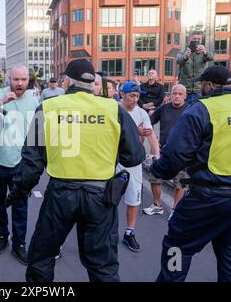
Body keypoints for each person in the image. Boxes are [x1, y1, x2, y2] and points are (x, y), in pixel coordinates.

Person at [8, 59, 145, 281]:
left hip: (60, 194)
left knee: (42, 259)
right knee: (103, 267)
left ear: (68, 81)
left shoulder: (49, 107)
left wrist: (17, 191)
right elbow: (135, 157)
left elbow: (32, 163)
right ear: (93, 83)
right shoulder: (113, 109)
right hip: (101, 197)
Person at [151, 65, 231, 282]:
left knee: (177, 246)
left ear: (210, 85)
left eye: (202, 84)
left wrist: (158, 169)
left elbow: (176, 153)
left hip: (208, 197)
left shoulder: (201, 109)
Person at [0, 65, 40, 265]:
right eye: (16, 79)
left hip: (20, 162)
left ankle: (19, 244)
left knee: (20, 204)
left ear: (28, 80)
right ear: (9, 78)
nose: (19, 83)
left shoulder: (34, 102)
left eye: (23, 79)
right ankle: (1, 236)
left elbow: (35, 135)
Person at [118, 82, 160, 252]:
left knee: (134, 200)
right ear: (122, 94)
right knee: (108, 198)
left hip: (133, 162)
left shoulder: (142, 113)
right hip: (114, 160)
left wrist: (157, 156)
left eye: (137, 96)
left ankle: (129, 233)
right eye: (131, 96)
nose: (135, 99)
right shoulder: (113, 110)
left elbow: (151, 136)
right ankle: (105, 232)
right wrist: (135, 130)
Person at [143, 84, 189, 219]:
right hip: (163, 150)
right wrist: (152, 137)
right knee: (154, 177)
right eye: (175, 93)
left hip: (182, 152)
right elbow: (148, 121)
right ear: (170, 95)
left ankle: (175, 209)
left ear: (185, 96)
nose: (177, 96)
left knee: (180, 182)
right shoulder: (163, 109)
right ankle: (157, 206)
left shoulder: (190, 110)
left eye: (181, 94)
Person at [177, 31, 214, 104]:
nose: (196, 41)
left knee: (197, 112)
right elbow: (178, 60)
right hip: (185, 91)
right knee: (184, 112)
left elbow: (211, 58)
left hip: (198, 90)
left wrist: (205, 52)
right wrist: (185, 57)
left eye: (198, 39)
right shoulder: (182, 52)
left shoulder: (202, 53)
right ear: (188, 40)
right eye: (194, 39)